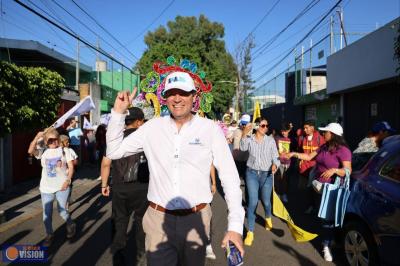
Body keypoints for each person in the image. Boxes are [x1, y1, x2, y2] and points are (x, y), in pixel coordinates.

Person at [106, 71, 244, 266]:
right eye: (172, 93)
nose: (177, 98)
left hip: (197, 219)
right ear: (165, 98)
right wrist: (118, 113)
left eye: (184, 93)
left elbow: (230, 178)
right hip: (158, 221)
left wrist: (236, 227)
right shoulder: (151, 128)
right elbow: (113, 151)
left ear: (193, 97)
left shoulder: (209, 129)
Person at [286, 122, 352, 262]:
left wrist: (335, 170)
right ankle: (330, 240)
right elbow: (309, 157)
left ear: (333, 135)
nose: (323, 134)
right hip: (319, 187)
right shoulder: (323, 147)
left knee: (327, 218)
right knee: (324, 217)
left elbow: (348, 171)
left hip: (331, 190)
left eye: (325, 132)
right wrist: (293, 154)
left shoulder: (343, 150)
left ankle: (326, 245)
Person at [101, 107, 148, 266]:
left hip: (120, 188)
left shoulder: (116, 138)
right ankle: (142, 254)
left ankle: (118, 256)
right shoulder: (145, 138)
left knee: (119, 222)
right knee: (142, 222)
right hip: (143, 187)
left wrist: (104, 184)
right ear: (139, 122)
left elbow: (106, 164)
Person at [240, 117, 280, 246]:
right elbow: (242, 148)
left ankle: (268, 216)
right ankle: (250, 232)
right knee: (252, 202)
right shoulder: (250, 139)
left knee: (266, 202)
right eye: (263, 126)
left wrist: (275, 164)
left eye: (267, 125)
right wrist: (244, 132)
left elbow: (276, 156)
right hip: (251, 173)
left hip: (266, 174)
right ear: (257, 127)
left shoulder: (270, 140)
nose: (266, 128)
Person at [37, 128, 76, 247]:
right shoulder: (43, 151)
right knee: (46, 214)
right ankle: (49, 234)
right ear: (46, 141)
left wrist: (68, 180)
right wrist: (37, 137)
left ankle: (70, 224)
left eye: (55, 139)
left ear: (58, 139)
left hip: (62, 186)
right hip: (46, 188)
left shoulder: (65, 150)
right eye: (50, 140)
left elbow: (71, 166)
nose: (53, 142)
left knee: (62, 211)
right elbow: (30, 150)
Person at [298, 120, 325, 214]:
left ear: (312, 128)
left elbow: (323, 154)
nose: (304, 130)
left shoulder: (320, 139)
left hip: (315, 168)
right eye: (304, 128)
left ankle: (315, 207)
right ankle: (310, 205)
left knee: (315, 189)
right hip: (304, 168)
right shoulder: (302, 138)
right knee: (306, 189)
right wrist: (300, 160)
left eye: (306, 128)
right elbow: (301, 150)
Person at [59, 135, 78, 210]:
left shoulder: (70, 150)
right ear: (61, 143)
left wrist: (70, 163)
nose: (68, 144)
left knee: (68, 187)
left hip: (69, 173)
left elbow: (76, 161)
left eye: (68, 142)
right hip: (60, 174)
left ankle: (66, 204)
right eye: (67, 143)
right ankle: (63, 202)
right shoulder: (57, 151)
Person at [275, 123, 292, 203]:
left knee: (285, 179)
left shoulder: (290, 139)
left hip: (287, 162)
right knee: (278, 179)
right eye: (282, 131)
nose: (283, 133)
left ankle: (283, 194)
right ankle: (278, 194)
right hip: (279, 162)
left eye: (285, 131)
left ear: (288, 131)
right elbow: (273, 150)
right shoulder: (277, 138)